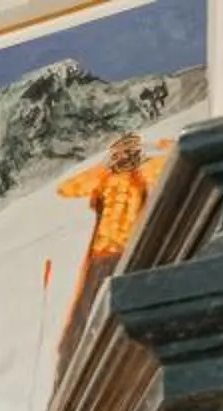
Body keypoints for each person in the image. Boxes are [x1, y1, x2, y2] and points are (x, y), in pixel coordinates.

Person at [58, 131, 171, 366]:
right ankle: (77, 357)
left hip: (124, 251)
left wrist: (161, 143)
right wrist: (102, 168)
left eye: (128, 151)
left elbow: (173, 159)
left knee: (118, 304)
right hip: (101, 254)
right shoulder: (105, 178)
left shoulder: (143, 172)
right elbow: (67, 189)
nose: (123, 157)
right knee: (86, 311)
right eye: (119, 152)